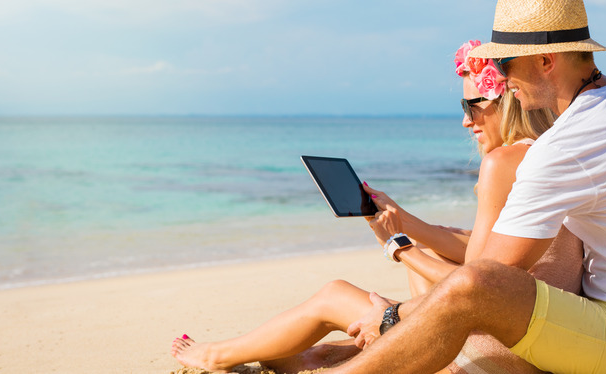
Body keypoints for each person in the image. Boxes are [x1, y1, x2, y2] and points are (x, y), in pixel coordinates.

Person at [322, 0, 606, 374]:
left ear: (545, 61)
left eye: (505, 64)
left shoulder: (567, 143)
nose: (501, 81)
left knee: (471, 294)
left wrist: (392, 314)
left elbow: (482, 279)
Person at [170, 40, 584, 373]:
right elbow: (482, 251)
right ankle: (330, 353)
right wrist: (402, 221)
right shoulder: (549, 156)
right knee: (421, 270)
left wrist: (397, 245)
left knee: (334, 295)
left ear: (508, 102)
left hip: (500, 352)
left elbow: (473, 284)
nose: (466, 120)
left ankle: (215, 356)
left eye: (474, 105)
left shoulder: (502, 163)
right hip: (541, 343)